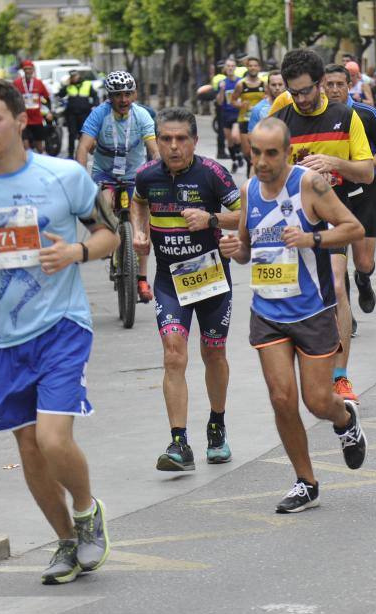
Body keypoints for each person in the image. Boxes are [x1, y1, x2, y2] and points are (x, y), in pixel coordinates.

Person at [0, 80, 119, 585]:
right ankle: (66, 541)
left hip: (62, 324)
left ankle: (87, 512)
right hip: (6, 337)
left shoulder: (64, 176)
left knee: (51, 437)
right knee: (28, 449)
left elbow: (110, 233)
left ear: (20, 120)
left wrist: (76, 252)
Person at [218, 118, 367, 514]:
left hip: (312, 310)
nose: (262, 162)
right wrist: (237, 249)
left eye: (271, 153)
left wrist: (311, 238)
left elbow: (353, 228)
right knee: (282, 399)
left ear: (287, 153)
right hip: (267, 310)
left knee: (317, 401)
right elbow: (249, 248)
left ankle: (344, 418)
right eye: (255, 153)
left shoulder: (310, 186)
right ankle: (306, 481)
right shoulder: (249, 189)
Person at [131, 108, 240, 471]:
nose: (173, 146)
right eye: (166, 139)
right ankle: (179, 442)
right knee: (173, 355)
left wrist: (212, 219)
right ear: (157, 141)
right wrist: (139, 231)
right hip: (169, 281)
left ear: (194, 140)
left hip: (210, 279)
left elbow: (249, 212)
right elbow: (138, 200)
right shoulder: (147, 174)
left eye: (181, 139)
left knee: (213, 353)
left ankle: (217, 426)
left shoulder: (212, 174)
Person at [269, 49, 374, 401]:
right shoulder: (280, 117)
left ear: (320, 84)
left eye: (307, 91)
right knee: (298, 297)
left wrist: (334, 163)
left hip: (332, 217)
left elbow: (368, 172)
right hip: (288, 220)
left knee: (338, 289)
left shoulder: (345, 116)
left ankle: (341, 376)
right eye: (294, 92)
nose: (301, 99)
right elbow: (263, 170)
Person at [323, 63, 376, 398]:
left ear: (351, 85)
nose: (334, 89)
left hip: (365, 194)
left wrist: (361, 167)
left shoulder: (366, 114)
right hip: (331, 198)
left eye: (340, 84)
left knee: (363, 262)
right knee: (338, 278)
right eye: (329, 84)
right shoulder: (320, 120)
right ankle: (345, 311)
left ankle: (364, 280)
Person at [77, 71, 159, 303]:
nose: (123, 99)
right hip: (105, 173)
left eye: (127, 94)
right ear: (109, 97)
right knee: (104, 203)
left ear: (134, 94)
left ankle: (141, 278)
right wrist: (80, 178)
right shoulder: (98, 115)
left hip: (135, 174)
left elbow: (154, 150)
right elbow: (83, 148)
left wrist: (159, 173)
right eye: (117, 95)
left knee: (142, 224)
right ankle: (110, 242)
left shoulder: (142, 115)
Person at [230, 57, 266, 176]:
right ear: (247, 67)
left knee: (258, 148)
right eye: (250, 65)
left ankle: (252, 173)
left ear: (259, 68)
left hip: (260, 121)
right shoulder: (241, 84)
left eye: (255, 65)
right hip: (244, 119)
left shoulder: (264, 84)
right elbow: (233, 100)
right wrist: (241, 104)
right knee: (246, 151)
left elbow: (269, 100)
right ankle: (250, 167)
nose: (253, 68)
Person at [58, 70, 99, 159]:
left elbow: (95, 95)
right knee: (72, 134)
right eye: (72, 77)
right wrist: (66, 85)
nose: (74, 78)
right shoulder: (68, 86)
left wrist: (95, 106)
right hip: (71, 114)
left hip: (84, 113)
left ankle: (82, 153)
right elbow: (60, 95)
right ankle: (70, 154)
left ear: (78, 76)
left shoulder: (87, 84)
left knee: (83, 134)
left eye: (75, 76)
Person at [12, 60, 50, 154]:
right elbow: (11, 98)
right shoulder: (17, 83)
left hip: (37, 118)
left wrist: (49, 112)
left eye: (30, 69)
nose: (28, 71)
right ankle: (29, 165)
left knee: (39, 147)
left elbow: (47, 98)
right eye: (26, 69)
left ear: (33, 70)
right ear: (23, 70)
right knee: (25, 145)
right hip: (23, 118)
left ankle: (39, 163)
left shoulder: (39, 83)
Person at [217, 59, 243, 173]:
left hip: (238, 113)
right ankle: (235, 161)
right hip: (226, 113)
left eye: (233, 66)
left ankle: (240, 153)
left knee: (236, 136)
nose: (231, 68)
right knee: (230, 141)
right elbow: (219, 102)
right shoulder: (222, 83)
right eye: (228, 66)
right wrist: (222, 89)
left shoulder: (241, 82)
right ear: (225, 68)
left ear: (235, 68)